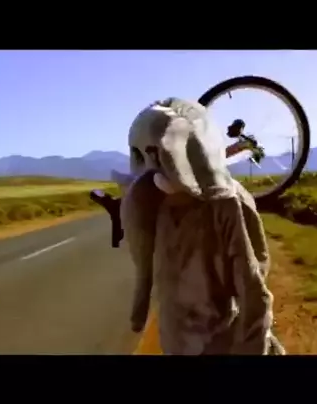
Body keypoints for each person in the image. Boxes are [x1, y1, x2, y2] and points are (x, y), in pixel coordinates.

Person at [99, 97, 284, 355]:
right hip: (176, 339)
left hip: (219, 341)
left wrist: (253, 344)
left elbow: (254, 289)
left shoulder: (225, 205)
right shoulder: (154, 201)